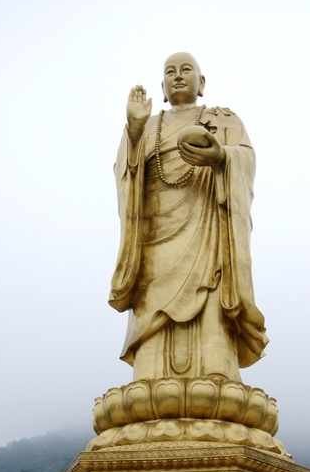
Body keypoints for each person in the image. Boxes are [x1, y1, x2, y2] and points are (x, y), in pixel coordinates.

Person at [109, 52, 267, 382]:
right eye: (170, 72)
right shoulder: (148, 127)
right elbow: (127, 177)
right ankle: (150, 376)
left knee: (210, 297)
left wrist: (223, 157)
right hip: (155, 239)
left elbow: (246, 161)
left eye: (186, 70)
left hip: (208, 231)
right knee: (153, 307)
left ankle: (216, 370)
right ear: (162, 88)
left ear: (202, 83)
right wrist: (135, 132)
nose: (178, 76)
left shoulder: (223, 119)